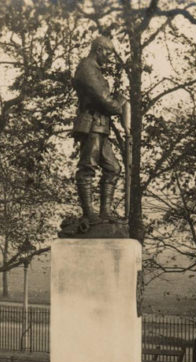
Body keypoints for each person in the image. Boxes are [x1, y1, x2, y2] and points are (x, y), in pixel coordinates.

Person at [72, 35, 127, 222]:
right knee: (88, 167)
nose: (109, 58)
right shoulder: (87, 68)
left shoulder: (94, 69)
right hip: (91, 125)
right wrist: (119, 103)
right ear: (99, 50)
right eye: (108, 54)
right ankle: (90, 214)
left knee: (113, 168)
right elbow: (103, 99)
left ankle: (105, 213)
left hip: (100, 126)